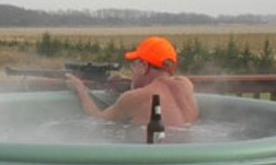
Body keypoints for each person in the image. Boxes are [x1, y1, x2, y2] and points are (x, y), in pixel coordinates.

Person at [65, 36, 198, 126]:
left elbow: (97, 120)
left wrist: (80, 88)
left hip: (152, 156)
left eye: (134, 65)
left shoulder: (135, 97)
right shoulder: (186, 85)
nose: (133, 71)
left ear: (144, 66)